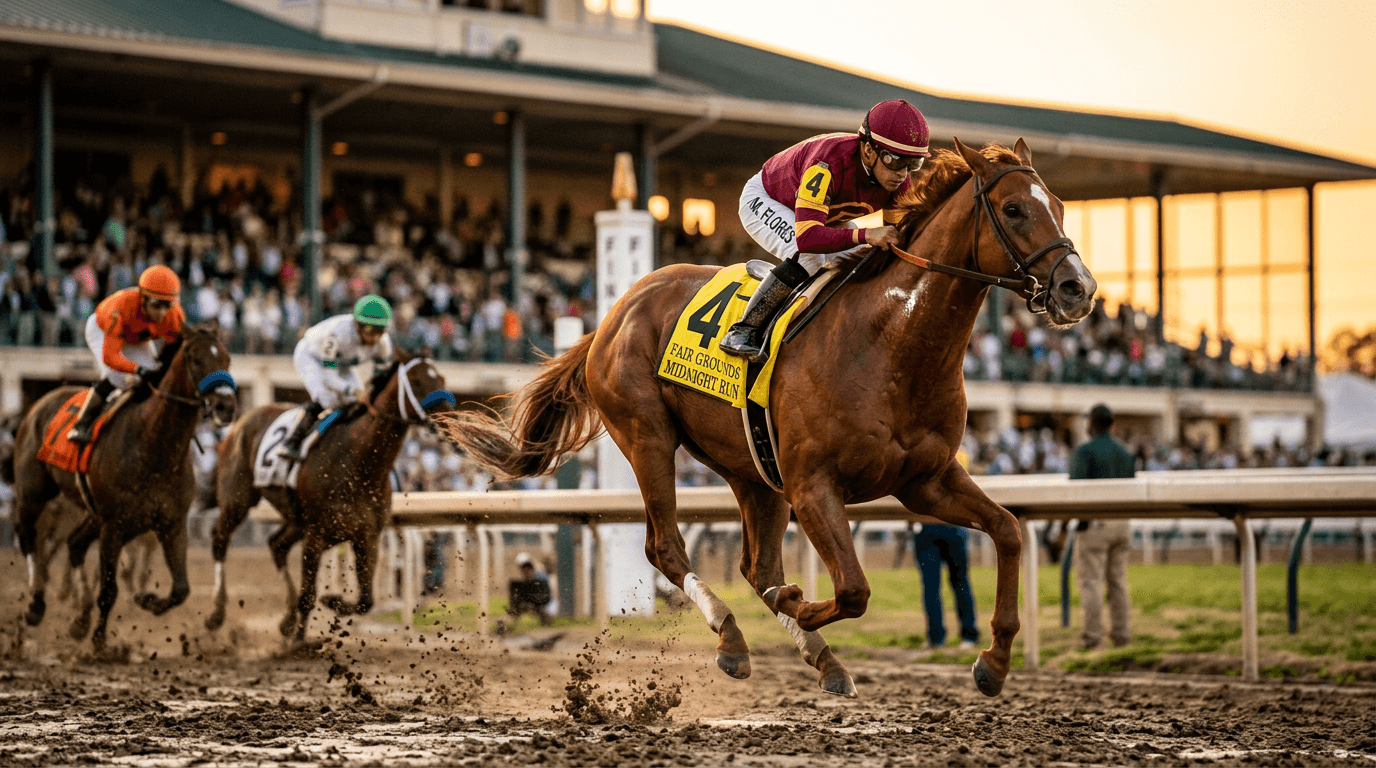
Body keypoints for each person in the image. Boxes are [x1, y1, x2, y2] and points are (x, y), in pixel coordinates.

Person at [720, 99, 930, 362]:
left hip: (824, 216)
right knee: (808, 257)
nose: (902, 174)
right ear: (868, 150)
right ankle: (743, 330)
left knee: (863, 260)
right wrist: (865, 234)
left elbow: (897, 239)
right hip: (766, 200)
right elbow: (808, 238)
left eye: (913, 164)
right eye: (894, 161)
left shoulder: (899, 181)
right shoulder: (827, 164)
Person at [68, 265, 185, 444]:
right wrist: (137, 369)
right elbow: (111, 357)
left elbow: (175, 349)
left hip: (137, 338)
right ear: (143, 299)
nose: (162, 312)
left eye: (167, 305)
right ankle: (82, 423)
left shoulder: (174, 315)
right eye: (156, 305)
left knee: (156, 372)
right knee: (117, 376)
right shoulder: (120, 309)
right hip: (103, 330)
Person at [277, 294, 394, 461]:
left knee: (356, 403)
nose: (375, 337)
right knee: (327, 399)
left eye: (380, 331)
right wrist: (354, 390)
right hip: (312, 357)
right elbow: (329, 379)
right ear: (358, 325)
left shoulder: (383, 343)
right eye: (370, 330)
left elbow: (382, 377)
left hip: (343, 364)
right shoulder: (337, 333)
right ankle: (291, 442)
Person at [1070, 403, 1136, 649]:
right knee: (1118, 582)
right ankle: (1121, 635)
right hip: (1122, 523)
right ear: (1112, 424)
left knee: (1092, 582)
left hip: (1096, 524)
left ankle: (1092, 637)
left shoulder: (1084, 451)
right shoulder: (1126, 452)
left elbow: (1074, 491)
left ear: (1091, 424)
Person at [507, 551, 552, 625]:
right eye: (524, 568)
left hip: (544, 602)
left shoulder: (540, 575)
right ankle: (513, 621)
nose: (525, 570)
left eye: (527, 568)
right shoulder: (536, 574)